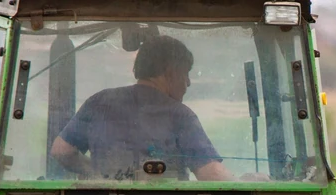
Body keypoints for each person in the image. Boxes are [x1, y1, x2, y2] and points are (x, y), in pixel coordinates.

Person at [50, 35, 238, 182]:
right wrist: (244, 182)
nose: (188, 83)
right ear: (171, 71)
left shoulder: (99, 102)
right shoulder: (179, 115)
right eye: (185, 74)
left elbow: (61, 151)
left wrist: (97, 174)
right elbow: (210, 173)